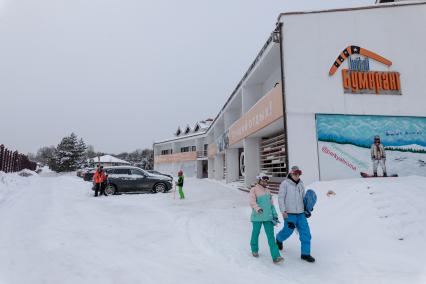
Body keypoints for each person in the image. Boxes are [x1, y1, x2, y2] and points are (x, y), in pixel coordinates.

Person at [276, 166, 315, 263]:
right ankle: (279, 239)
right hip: (289, 213)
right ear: (291, 173)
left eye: (298, 174)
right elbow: (281, 198)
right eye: (295, 174)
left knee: (306, 233)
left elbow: (303, 197)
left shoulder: (301, 184)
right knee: (288, 231)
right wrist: (283, 211)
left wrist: (307, 208)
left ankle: (305, 254)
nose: (297, 176)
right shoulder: (285, 184)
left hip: (301, 213)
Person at [249, 173, 283, 264]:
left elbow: (271, 205)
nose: (265, 182)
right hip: (257, 216)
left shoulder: (268, 191)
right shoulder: (254, 189)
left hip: (268, 217)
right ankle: (254, 249)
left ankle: (276, 256)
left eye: (266, 180)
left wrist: (275, 215)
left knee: (271, 237)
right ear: (259, 180)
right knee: (255, 233)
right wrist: (257, 208)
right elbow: (252, 202)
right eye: (263, 180)